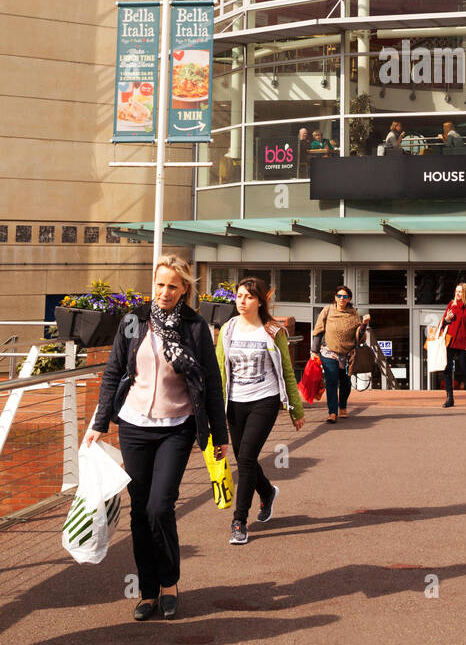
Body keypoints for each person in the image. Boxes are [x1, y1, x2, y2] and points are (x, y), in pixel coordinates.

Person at [84, 255, 229, 622]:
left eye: (172, 286)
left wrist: (219, 435)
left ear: (184, 290)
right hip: (133, 426)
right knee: (139, 512)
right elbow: (114, 370)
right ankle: (148, 591)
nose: (164, 292)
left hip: (176, 427)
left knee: (159, 507)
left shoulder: (195, 328)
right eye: (159, 284)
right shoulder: (134, 321)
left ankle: (169, 583)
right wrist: (100, 423)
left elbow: (210, 383)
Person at [215, 277, 304, 545]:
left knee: (244, 461)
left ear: (260, 301)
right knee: (246, 458)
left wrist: (295, 409)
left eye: (249, 297)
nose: (242, 302)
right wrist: (215, 412)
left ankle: (239, 520)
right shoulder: (227, 330)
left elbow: (287, 371)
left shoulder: (273, 331)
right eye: (239, 296)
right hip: (234, 402)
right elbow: (219, 370)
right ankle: (267, 493)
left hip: (264, 400)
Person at [311, 285, 371, 423]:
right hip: (329, 352)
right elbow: (319, 330)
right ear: (335, 297)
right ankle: (332, 412)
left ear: (349, 298)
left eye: (345, 296)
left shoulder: (353, 313)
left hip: (348, 354)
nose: (342, 299)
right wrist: (314, 351)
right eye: (339, 296)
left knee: (345, 383)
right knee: (331, 380)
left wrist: (364, 325)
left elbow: (359, 337)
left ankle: (342, 406)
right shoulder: (328, 310)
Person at [441, 281, 466, 407]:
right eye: (456, 291)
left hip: (463, 343)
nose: (457, 293)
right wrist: (447, 319)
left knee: (465, 370)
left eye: (460, 291)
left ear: (465, 293)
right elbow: (443, 323)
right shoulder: (451, 304)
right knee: (447, 369)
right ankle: (449, 398)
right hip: (450, 341)